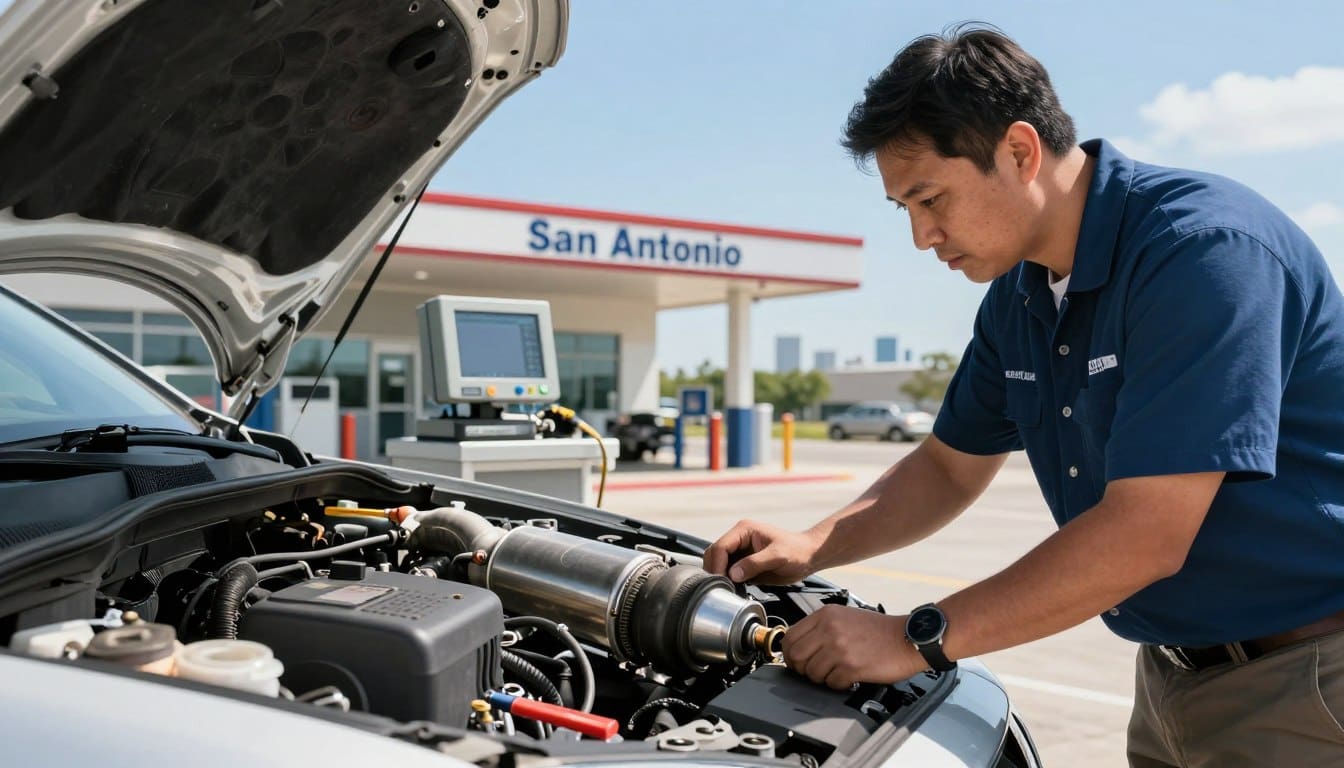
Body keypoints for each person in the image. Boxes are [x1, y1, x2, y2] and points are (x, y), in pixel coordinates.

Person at [704, 23, 1344, 767]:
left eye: (930, 198)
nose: (921, 236)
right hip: (1172, 677)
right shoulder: (1020, 295)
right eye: (904, 208)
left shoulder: (1202, 252)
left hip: (1307, 678)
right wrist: (813, 544)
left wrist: (912, 639)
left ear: (1018, 151)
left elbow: (1145, 533)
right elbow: (947, 467)